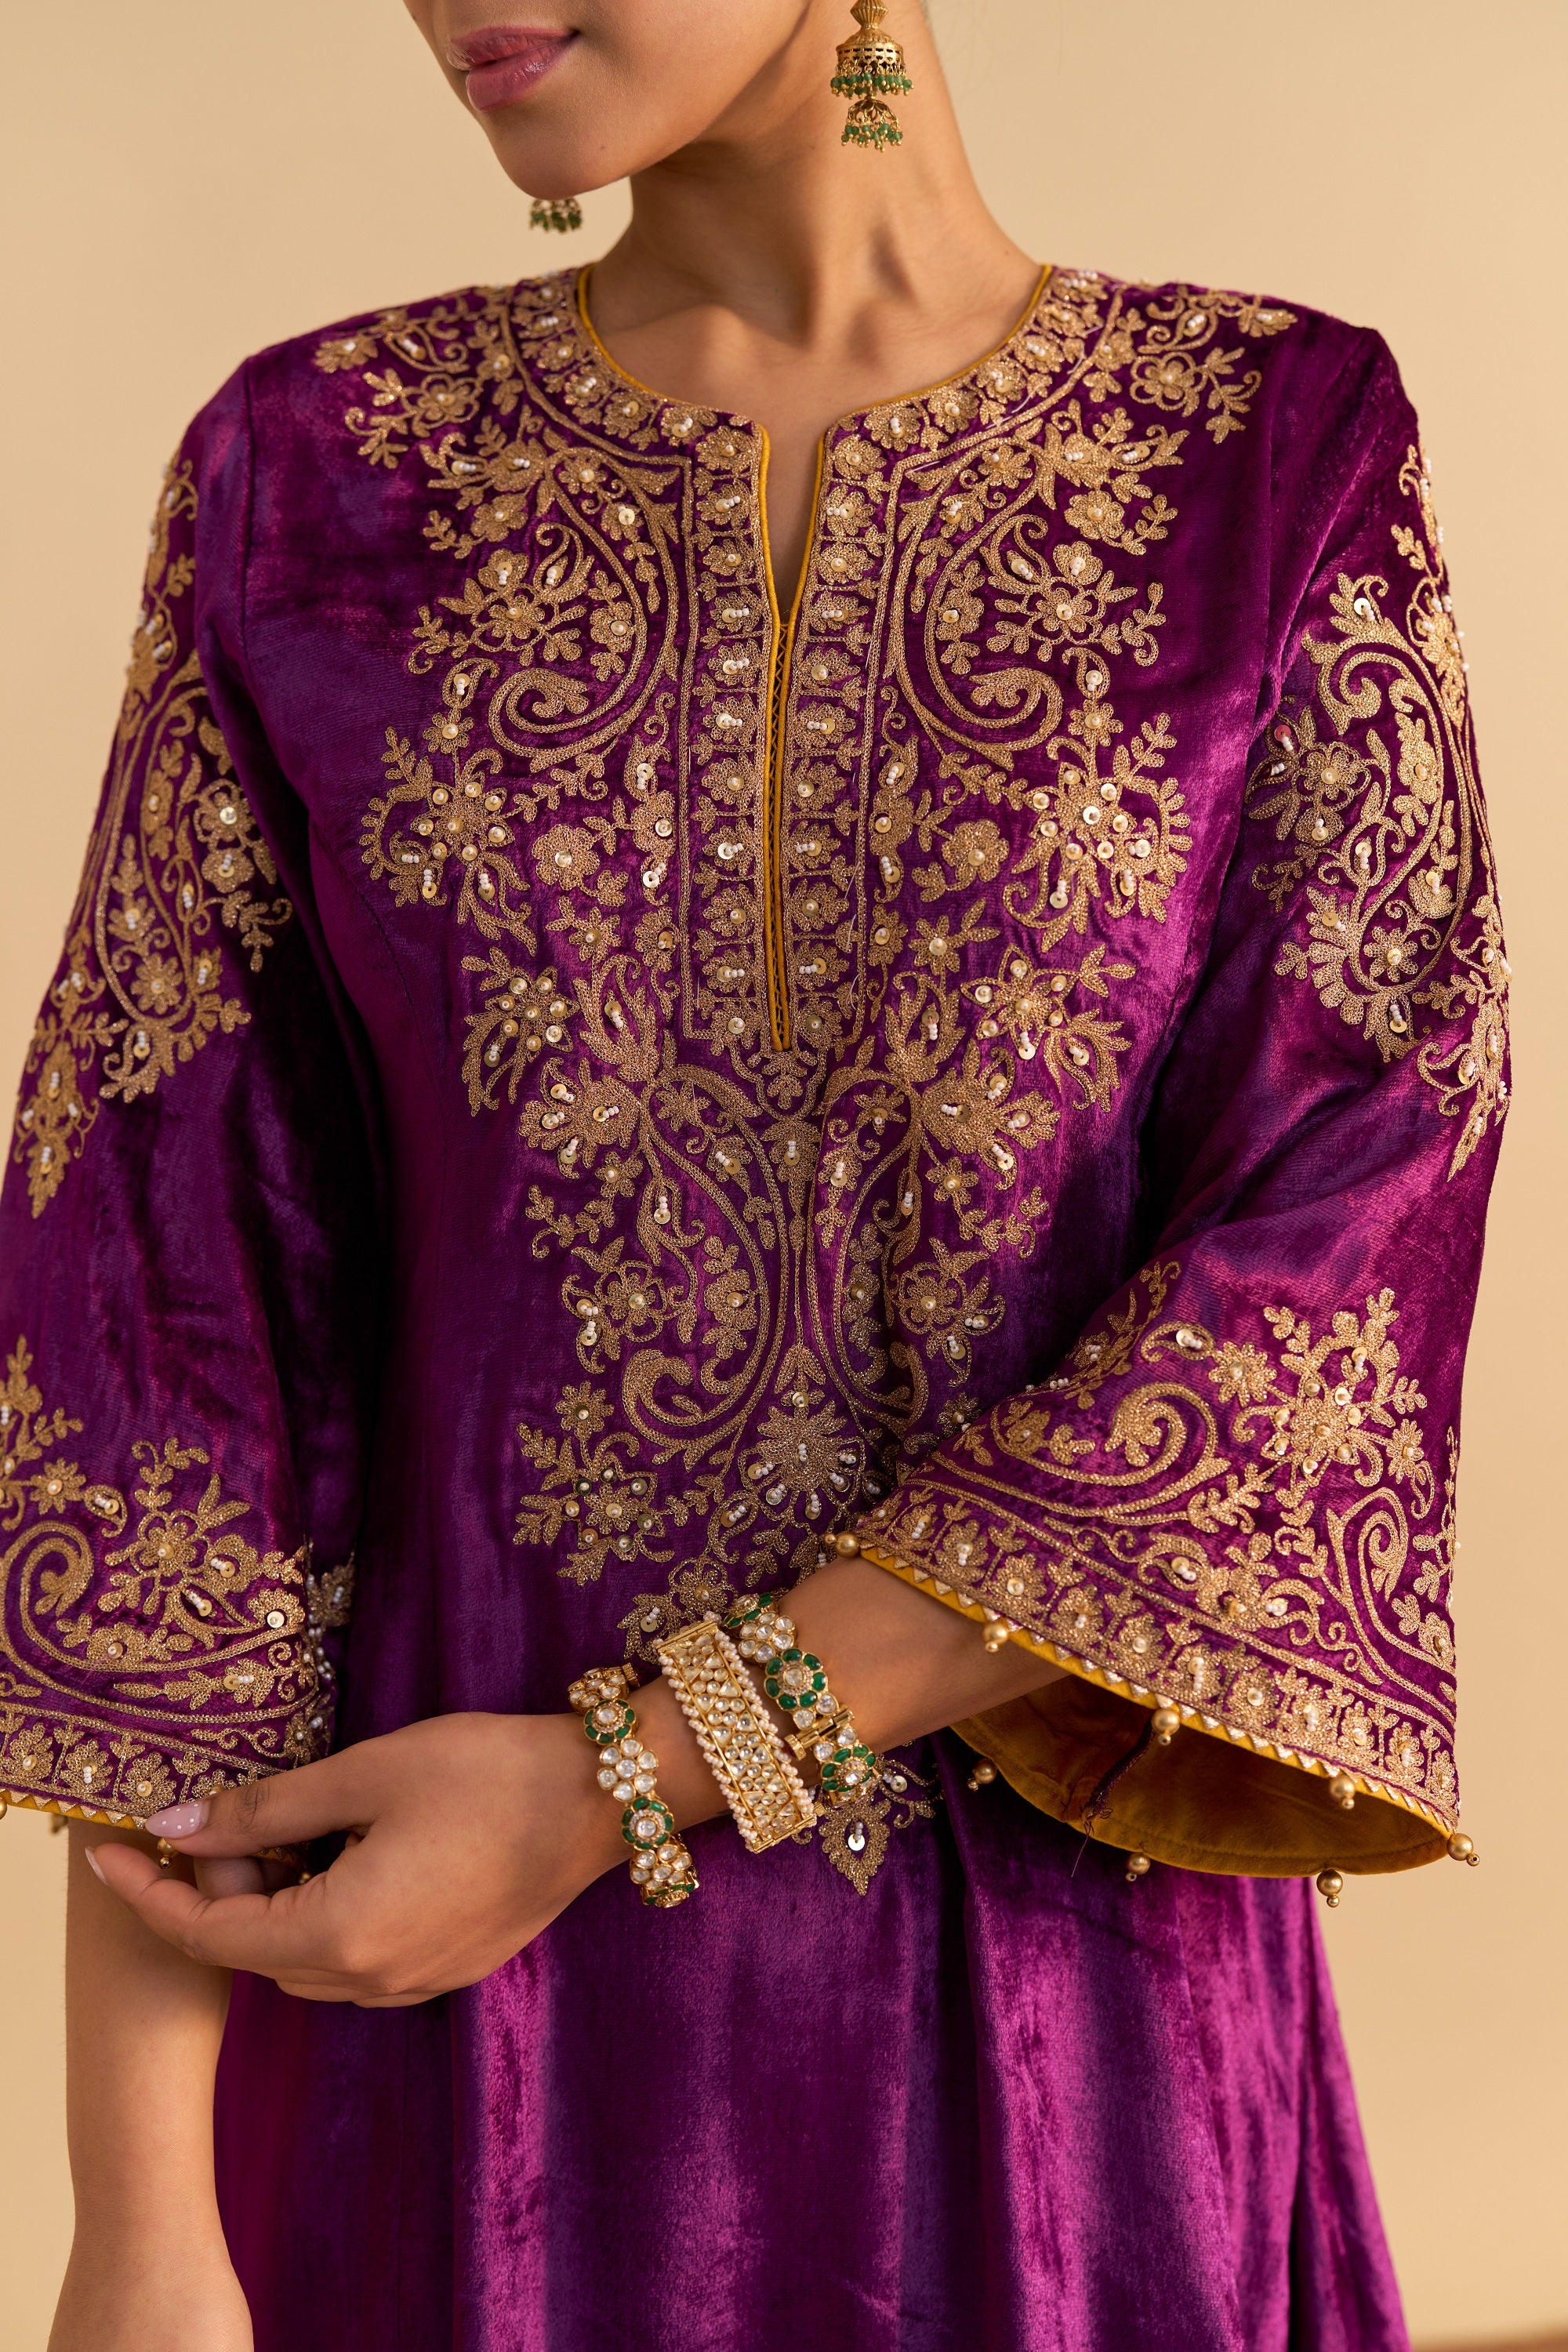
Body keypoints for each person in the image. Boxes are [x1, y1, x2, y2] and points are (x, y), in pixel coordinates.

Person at [2, 3, 1505, 2347]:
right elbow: (166, 1333)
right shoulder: (308, 478)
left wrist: (621, 1777)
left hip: (1078, 2049)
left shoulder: (1272, 453)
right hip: (442, 2038)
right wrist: (139, 2226)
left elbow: (1336, 1253)